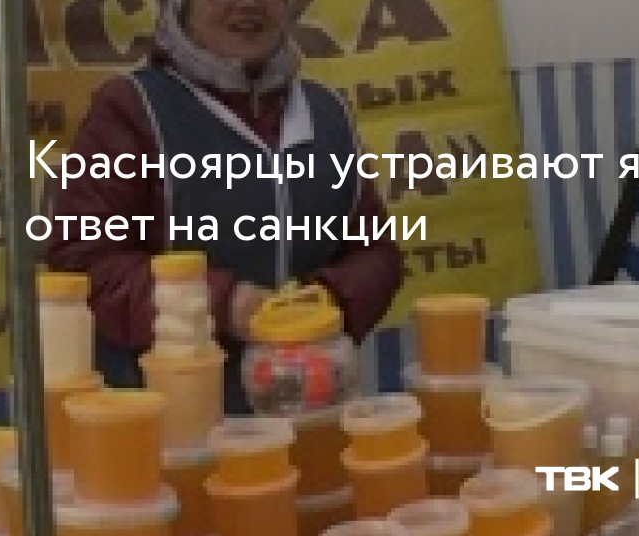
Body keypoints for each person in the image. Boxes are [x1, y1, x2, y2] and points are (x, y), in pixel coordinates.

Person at [44, 0, 404, 414]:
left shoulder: (327, 114)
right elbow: (84, 263)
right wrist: (221, 304)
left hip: (310, 413)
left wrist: (328, 303)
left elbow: (376, 252)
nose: (248, 5)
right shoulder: (132, 108)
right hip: (170, 422)